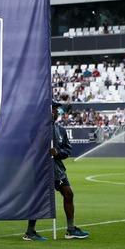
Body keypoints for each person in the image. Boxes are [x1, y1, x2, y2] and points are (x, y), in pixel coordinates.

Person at [24, 102, 90, 241]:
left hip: (58, 169)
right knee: (38, 199)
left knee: (68, 193)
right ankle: (30, 232)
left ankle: (71, 229)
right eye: (53, 110)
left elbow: (67, 150)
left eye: (56, 110)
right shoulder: (38, 129)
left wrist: (58, 152)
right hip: (41, 169)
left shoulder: (61, 130)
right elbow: (30, 147)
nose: (56, 112)